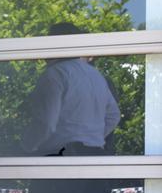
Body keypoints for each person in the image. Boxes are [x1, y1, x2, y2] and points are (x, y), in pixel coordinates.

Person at [21, 22, 120, 156]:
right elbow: (113, 116)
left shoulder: (54, 74)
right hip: (94, 153)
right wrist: (91, 138)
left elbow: (47, 122)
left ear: (54, 45)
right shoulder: (95, 74)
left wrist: (27, 146)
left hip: (62, 154)